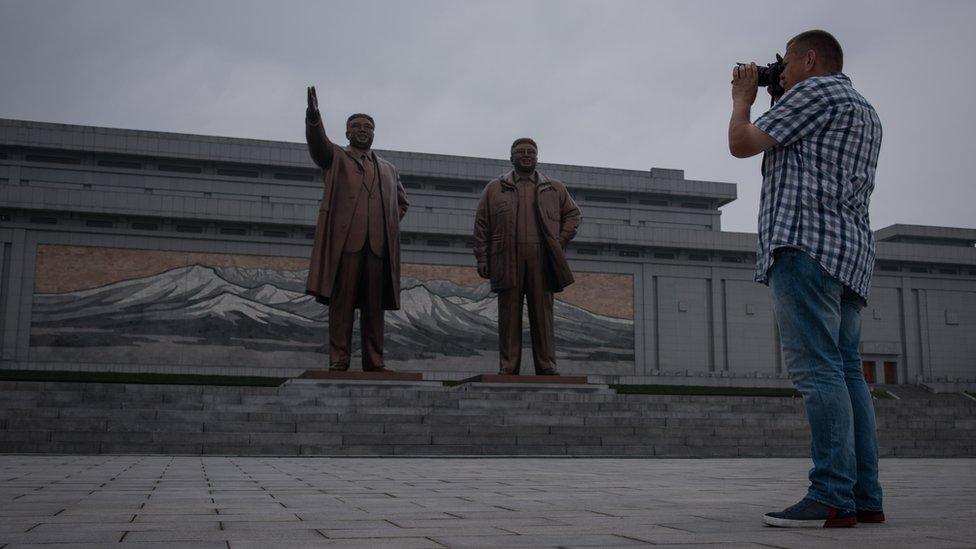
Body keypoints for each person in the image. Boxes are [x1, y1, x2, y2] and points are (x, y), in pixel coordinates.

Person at [728, 30, 884, 528]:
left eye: (787, 64)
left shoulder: (814, 92)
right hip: (849, 253)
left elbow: (741, 144)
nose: (784, 72)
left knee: (818, 372)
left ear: (810, 59)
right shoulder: (864, 107)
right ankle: (864, 496)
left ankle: (831, 494)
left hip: (805, 246)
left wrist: (742, 100)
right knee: (845, 374)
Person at [304, 86, 409, 372]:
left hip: (377, 248)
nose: (363, 130)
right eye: (356, 127)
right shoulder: (336, 157)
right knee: (343, 304)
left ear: (374, 133)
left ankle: (374, 361)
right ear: (347, 132)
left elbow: (402, 203)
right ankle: (339, 359)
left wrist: (385, 224)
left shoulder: (388, 168)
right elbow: (318, 146)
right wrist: (314, 119)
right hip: (346, 245)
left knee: (374, 308)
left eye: (368, 127)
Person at [473, 138, 581, 375]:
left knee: (542, 313)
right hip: (506, 257)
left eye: (531, 152)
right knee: (508, 313)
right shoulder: (494, 188)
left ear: (537, 157)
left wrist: (559, 241)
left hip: (541, 258)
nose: (526, 155)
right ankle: (509, 365)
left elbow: (573, 215)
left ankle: (546, 364)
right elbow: (481, 225)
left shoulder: (554, 187)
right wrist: (482, 258)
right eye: (520, 152)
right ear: (511, 158)